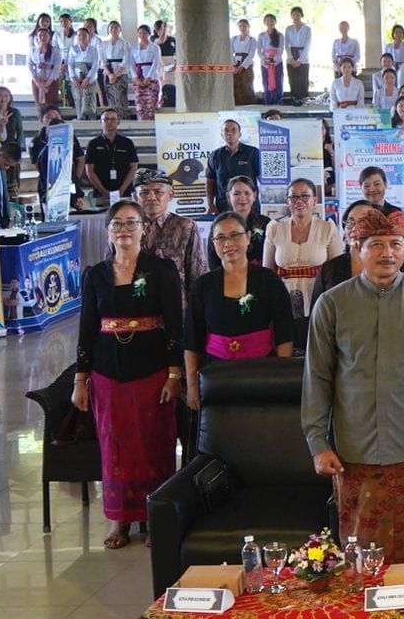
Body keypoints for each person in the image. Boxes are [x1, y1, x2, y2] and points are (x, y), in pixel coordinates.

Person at [304, 209, 404, 563]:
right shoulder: (332, 304)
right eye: (376, 244)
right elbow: (317, 379)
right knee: (359, 551)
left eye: (396, 244)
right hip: (352, 451)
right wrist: (317, 443)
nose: (387, 253)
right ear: (357, 249)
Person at [72, 199, 183, 549]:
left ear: (144, 229)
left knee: (155, 442)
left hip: (152, 370)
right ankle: (120, 519)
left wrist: (174, 374)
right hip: (107, 372)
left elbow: (175, 326)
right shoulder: (96, 274)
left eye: (131, 223)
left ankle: (153, 516)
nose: (124, 230)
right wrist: (81, 378)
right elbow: (87, 327)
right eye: (117, 224)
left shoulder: (161, 269)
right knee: (114, 446)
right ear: (108, 231)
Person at [184, 212, 294, 402]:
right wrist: (192, 385)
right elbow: (192, 339)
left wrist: (281, 377)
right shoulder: (203, 285)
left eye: (235, 235)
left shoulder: (269, 280)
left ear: (248, 236)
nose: (228, 243)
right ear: (213, 243)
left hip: (262, 371)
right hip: (215, 374)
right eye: (220, 237)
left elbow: (285, 332)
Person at [263, 178, 343, 347]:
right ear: (287, 201)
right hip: (283, 298)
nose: (299, 201)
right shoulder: (275, 229)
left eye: (305, 196)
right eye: (294, 197)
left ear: (315, 200)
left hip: (318, 297)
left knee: (316, 345)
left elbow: (337, 271)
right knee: (286, 344)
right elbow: (267, 272)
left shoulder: (327, 228)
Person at [133, 169, 206, 309]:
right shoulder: (125, 228)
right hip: (136, 310)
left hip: (176, 309)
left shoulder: (186, 226)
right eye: (144, 192)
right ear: (135, 197)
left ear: (171, 195)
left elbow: (197, 274)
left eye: (158, 192)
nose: (151, 197)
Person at [207, 175, 268, 269]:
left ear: (254, 195)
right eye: (236, 194)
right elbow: (213, 259)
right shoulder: (220, 224)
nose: (242, 198)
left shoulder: (266, 223)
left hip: (260, 278)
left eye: (247, 193)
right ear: (228, 196)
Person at [205, 118, 261, 215]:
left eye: (233, 130)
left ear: (240, 134)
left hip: (248, 205)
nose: (230, 133)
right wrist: (210, 204)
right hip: (223, 207)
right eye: (226, 130)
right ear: (222, 135)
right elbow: (210, 181)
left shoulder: (253, 153)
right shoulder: (215, 156)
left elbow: (261, 178)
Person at [83, 109, 138, 202]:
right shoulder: (93, 144)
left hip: (124, 193)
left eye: (113, 119)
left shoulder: (127, 143)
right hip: (101, 194)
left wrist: (122, 190)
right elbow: (89, 170)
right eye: (106, 119)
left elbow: (133, 167)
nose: (109, 122)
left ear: (118, 122)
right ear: (100, 122)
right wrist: (103, 191)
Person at [128, 25, 162, 121]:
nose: (142, 35)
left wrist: (148, 77)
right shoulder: (134, 48)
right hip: (138, 78)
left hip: (151, 78)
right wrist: (135, 77)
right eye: (140, 33)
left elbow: (155, 63)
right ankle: (141, 124)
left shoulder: (155, 47)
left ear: (149, 34)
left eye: (144, 33)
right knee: (140, 105)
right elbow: (131, 63)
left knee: (151, 104)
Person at [284, 7, 312, 101]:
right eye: (294, 14)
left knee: (303, 80)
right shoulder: (288, 28)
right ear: (291, 16)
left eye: (298, 14)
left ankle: (304, 100)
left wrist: (300, 60)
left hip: (303, 57)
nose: (296, 16)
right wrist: (291, 58)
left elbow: (308, 45)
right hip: (291, 56)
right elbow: (286, 44)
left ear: (301, 15)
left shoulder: (307, 29)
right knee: (293, 80)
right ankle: (294, 99)